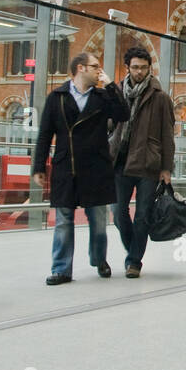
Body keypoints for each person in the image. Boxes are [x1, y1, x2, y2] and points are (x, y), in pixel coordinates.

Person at [32, 52, 129, 284]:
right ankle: (61, 269)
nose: (99, 71)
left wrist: (112, 86)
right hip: (67, 166)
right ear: (80, 68)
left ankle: (99, 259)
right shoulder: (58, 97)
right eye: (95, 67)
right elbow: (45, 133)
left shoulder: (102, 96)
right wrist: (39, 166)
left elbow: (123, 114)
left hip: (96, 167)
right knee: (64, 220)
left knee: (97, 221)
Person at [110, 46, 174, 278]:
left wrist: (166, 168)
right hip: (120, 162)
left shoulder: (160, 98)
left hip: (148, 164)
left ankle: (134, 262)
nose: (139, 72)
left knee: (143, 214)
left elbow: (168, 135)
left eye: (143, 68)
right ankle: (134, 251)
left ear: (150, 69)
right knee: (118, 213)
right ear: (127, 68)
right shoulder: (116, 93)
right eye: (135, 67)